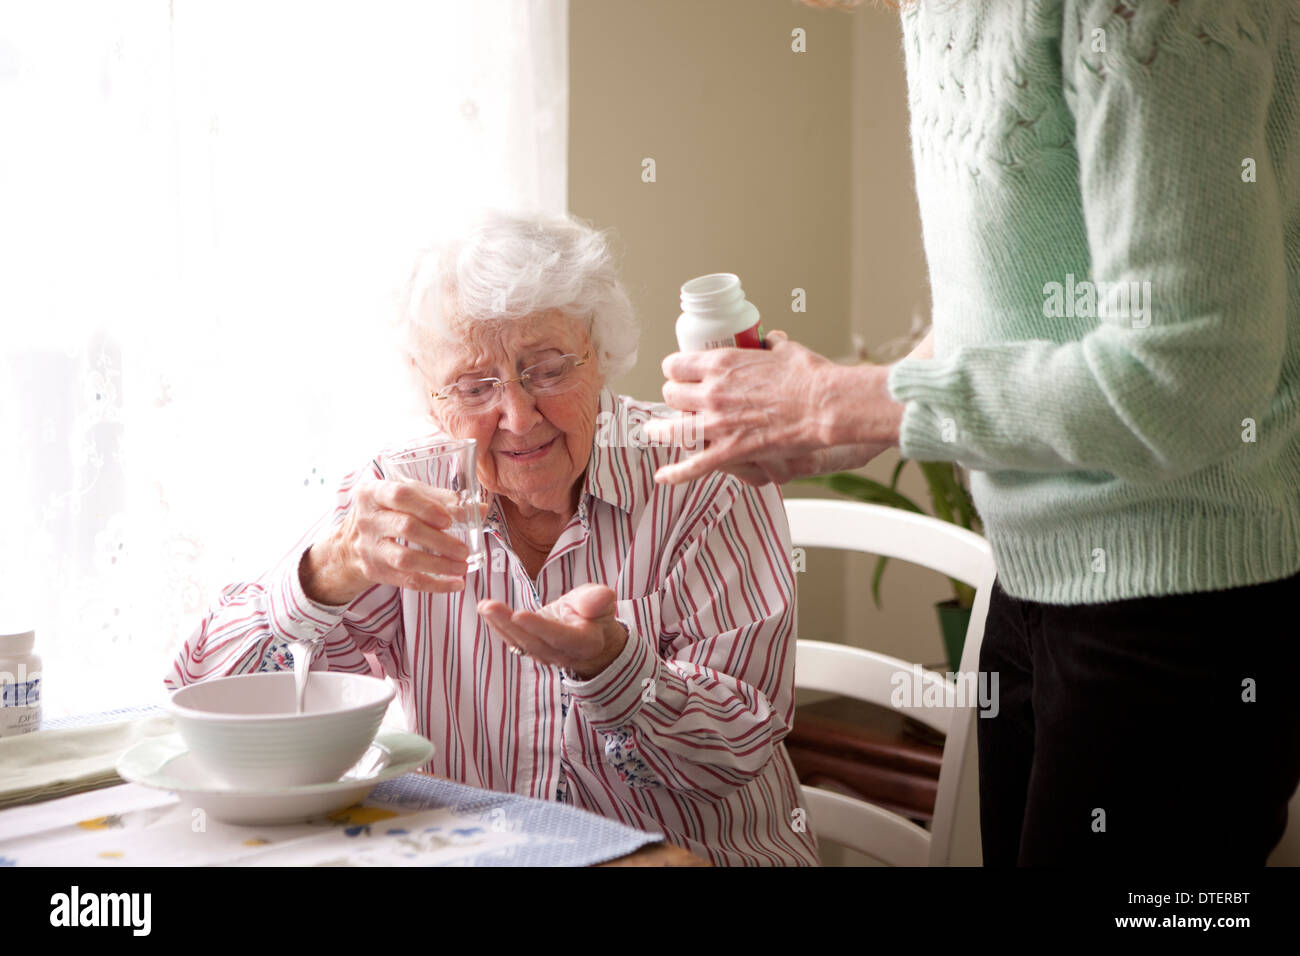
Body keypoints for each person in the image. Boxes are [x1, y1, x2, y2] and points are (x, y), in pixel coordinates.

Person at [649, 0, 1300, 866]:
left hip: (1183, 605)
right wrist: (853, 422)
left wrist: (853, 402)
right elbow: (1017, 300)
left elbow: (1187, 378)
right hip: (1029, 578)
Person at [164, 209, 820, 867]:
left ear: (603, 355)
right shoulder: (401, 494)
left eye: (549, 369)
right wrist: (328, 572)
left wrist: (612, 665)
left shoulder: (707, 474)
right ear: (430, 398)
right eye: (476, 386)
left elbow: (734, 749)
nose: (517, 416)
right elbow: (203, 700)